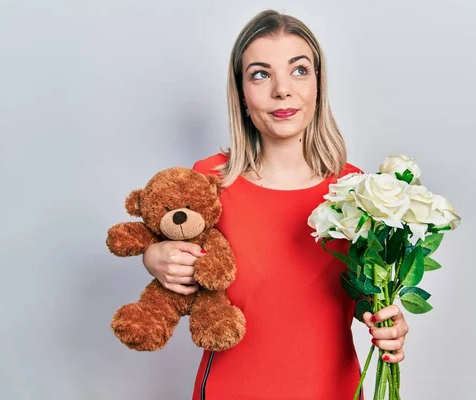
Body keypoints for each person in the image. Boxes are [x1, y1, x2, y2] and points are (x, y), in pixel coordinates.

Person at [142, 9, 409, 399]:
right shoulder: (210, 179)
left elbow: (361, 296)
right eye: (261, 74)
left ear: (319, 82)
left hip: (330, 390)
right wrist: (154, 255)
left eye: (299, 70)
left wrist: (388, 319)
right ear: (241, 92)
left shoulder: (356, 188)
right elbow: (167, 247)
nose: (282, 90)